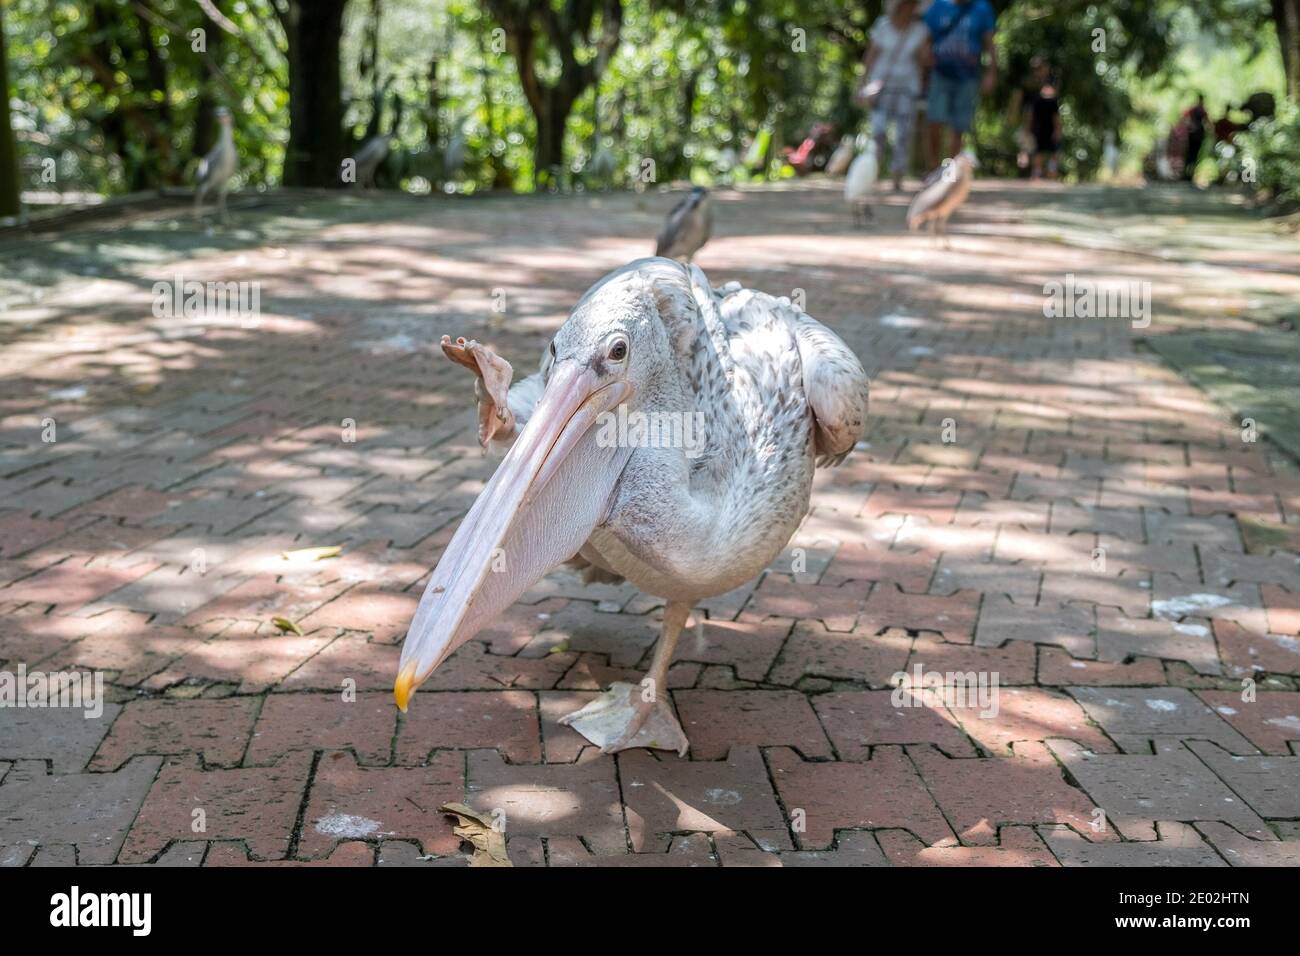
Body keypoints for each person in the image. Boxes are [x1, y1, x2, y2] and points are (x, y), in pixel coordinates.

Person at [921, 0, 998, 172]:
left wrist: (991, 73)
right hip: (940, 74)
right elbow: (926, 40)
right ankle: (932, 168)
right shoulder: (938, 6)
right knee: (935, 121)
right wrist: (923, 69)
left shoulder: (982, 8)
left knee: (958, 127)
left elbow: (990, 43)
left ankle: (949, 172)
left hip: (968, 77)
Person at [860, 0, 928, 190]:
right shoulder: (882, 25)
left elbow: (925, 61)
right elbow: (871, 55)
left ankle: (897, 175)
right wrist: (863, 83)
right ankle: (873, 171)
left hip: (908, 88)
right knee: (878, 130)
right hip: (881, 86)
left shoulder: (920, 29)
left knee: (903, 134)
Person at [1022, 57, 1061, 180]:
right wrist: (1027, 128)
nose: (1039, 71)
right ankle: (1037, 174)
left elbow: (1055, 112)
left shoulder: (1053, 82)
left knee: (1054, 151)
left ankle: (1051, 173)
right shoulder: (1029, 85)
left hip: (1050, 122)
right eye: (1036, 69)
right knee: (1037, 151)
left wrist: (1058, 129)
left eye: (1041, 68)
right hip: (1037, 124)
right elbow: (1029, 110)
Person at [1181, 93, 1208, 183]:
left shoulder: (1194, 109)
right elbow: (1207, 122)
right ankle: (1188, 174)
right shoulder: (1201, 110)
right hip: (1197, 134)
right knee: (1194, 155)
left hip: (1193, 134)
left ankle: (1187, 173)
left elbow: (1184, 117)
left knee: (1190, 154)